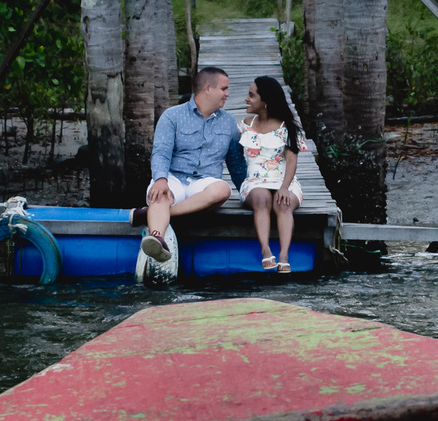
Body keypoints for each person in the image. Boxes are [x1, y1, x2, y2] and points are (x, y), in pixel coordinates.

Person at [130, 66, 247, 262]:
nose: (228, 94)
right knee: (160, 193)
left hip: (204, 183)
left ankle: (151, 213)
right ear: (208, 88)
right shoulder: (172, 116)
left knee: (222, 190)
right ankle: (157, 238)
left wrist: (247, 192)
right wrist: (160, 179)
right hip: (173, 176)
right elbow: (161, 152)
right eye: (224, 89)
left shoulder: (228, 122)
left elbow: (236, 163)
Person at [238, 75, 306, 274]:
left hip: (284, 180)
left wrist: (284, 187)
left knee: (282, 202)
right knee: (261, 198)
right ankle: (266, 249)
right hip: (254, 182)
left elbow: (292, 162)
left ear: (265, 102)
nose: (246, 99)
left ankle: (284, 254)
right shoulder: (245, 125)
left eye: (251, 95)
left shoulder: (288, 128)